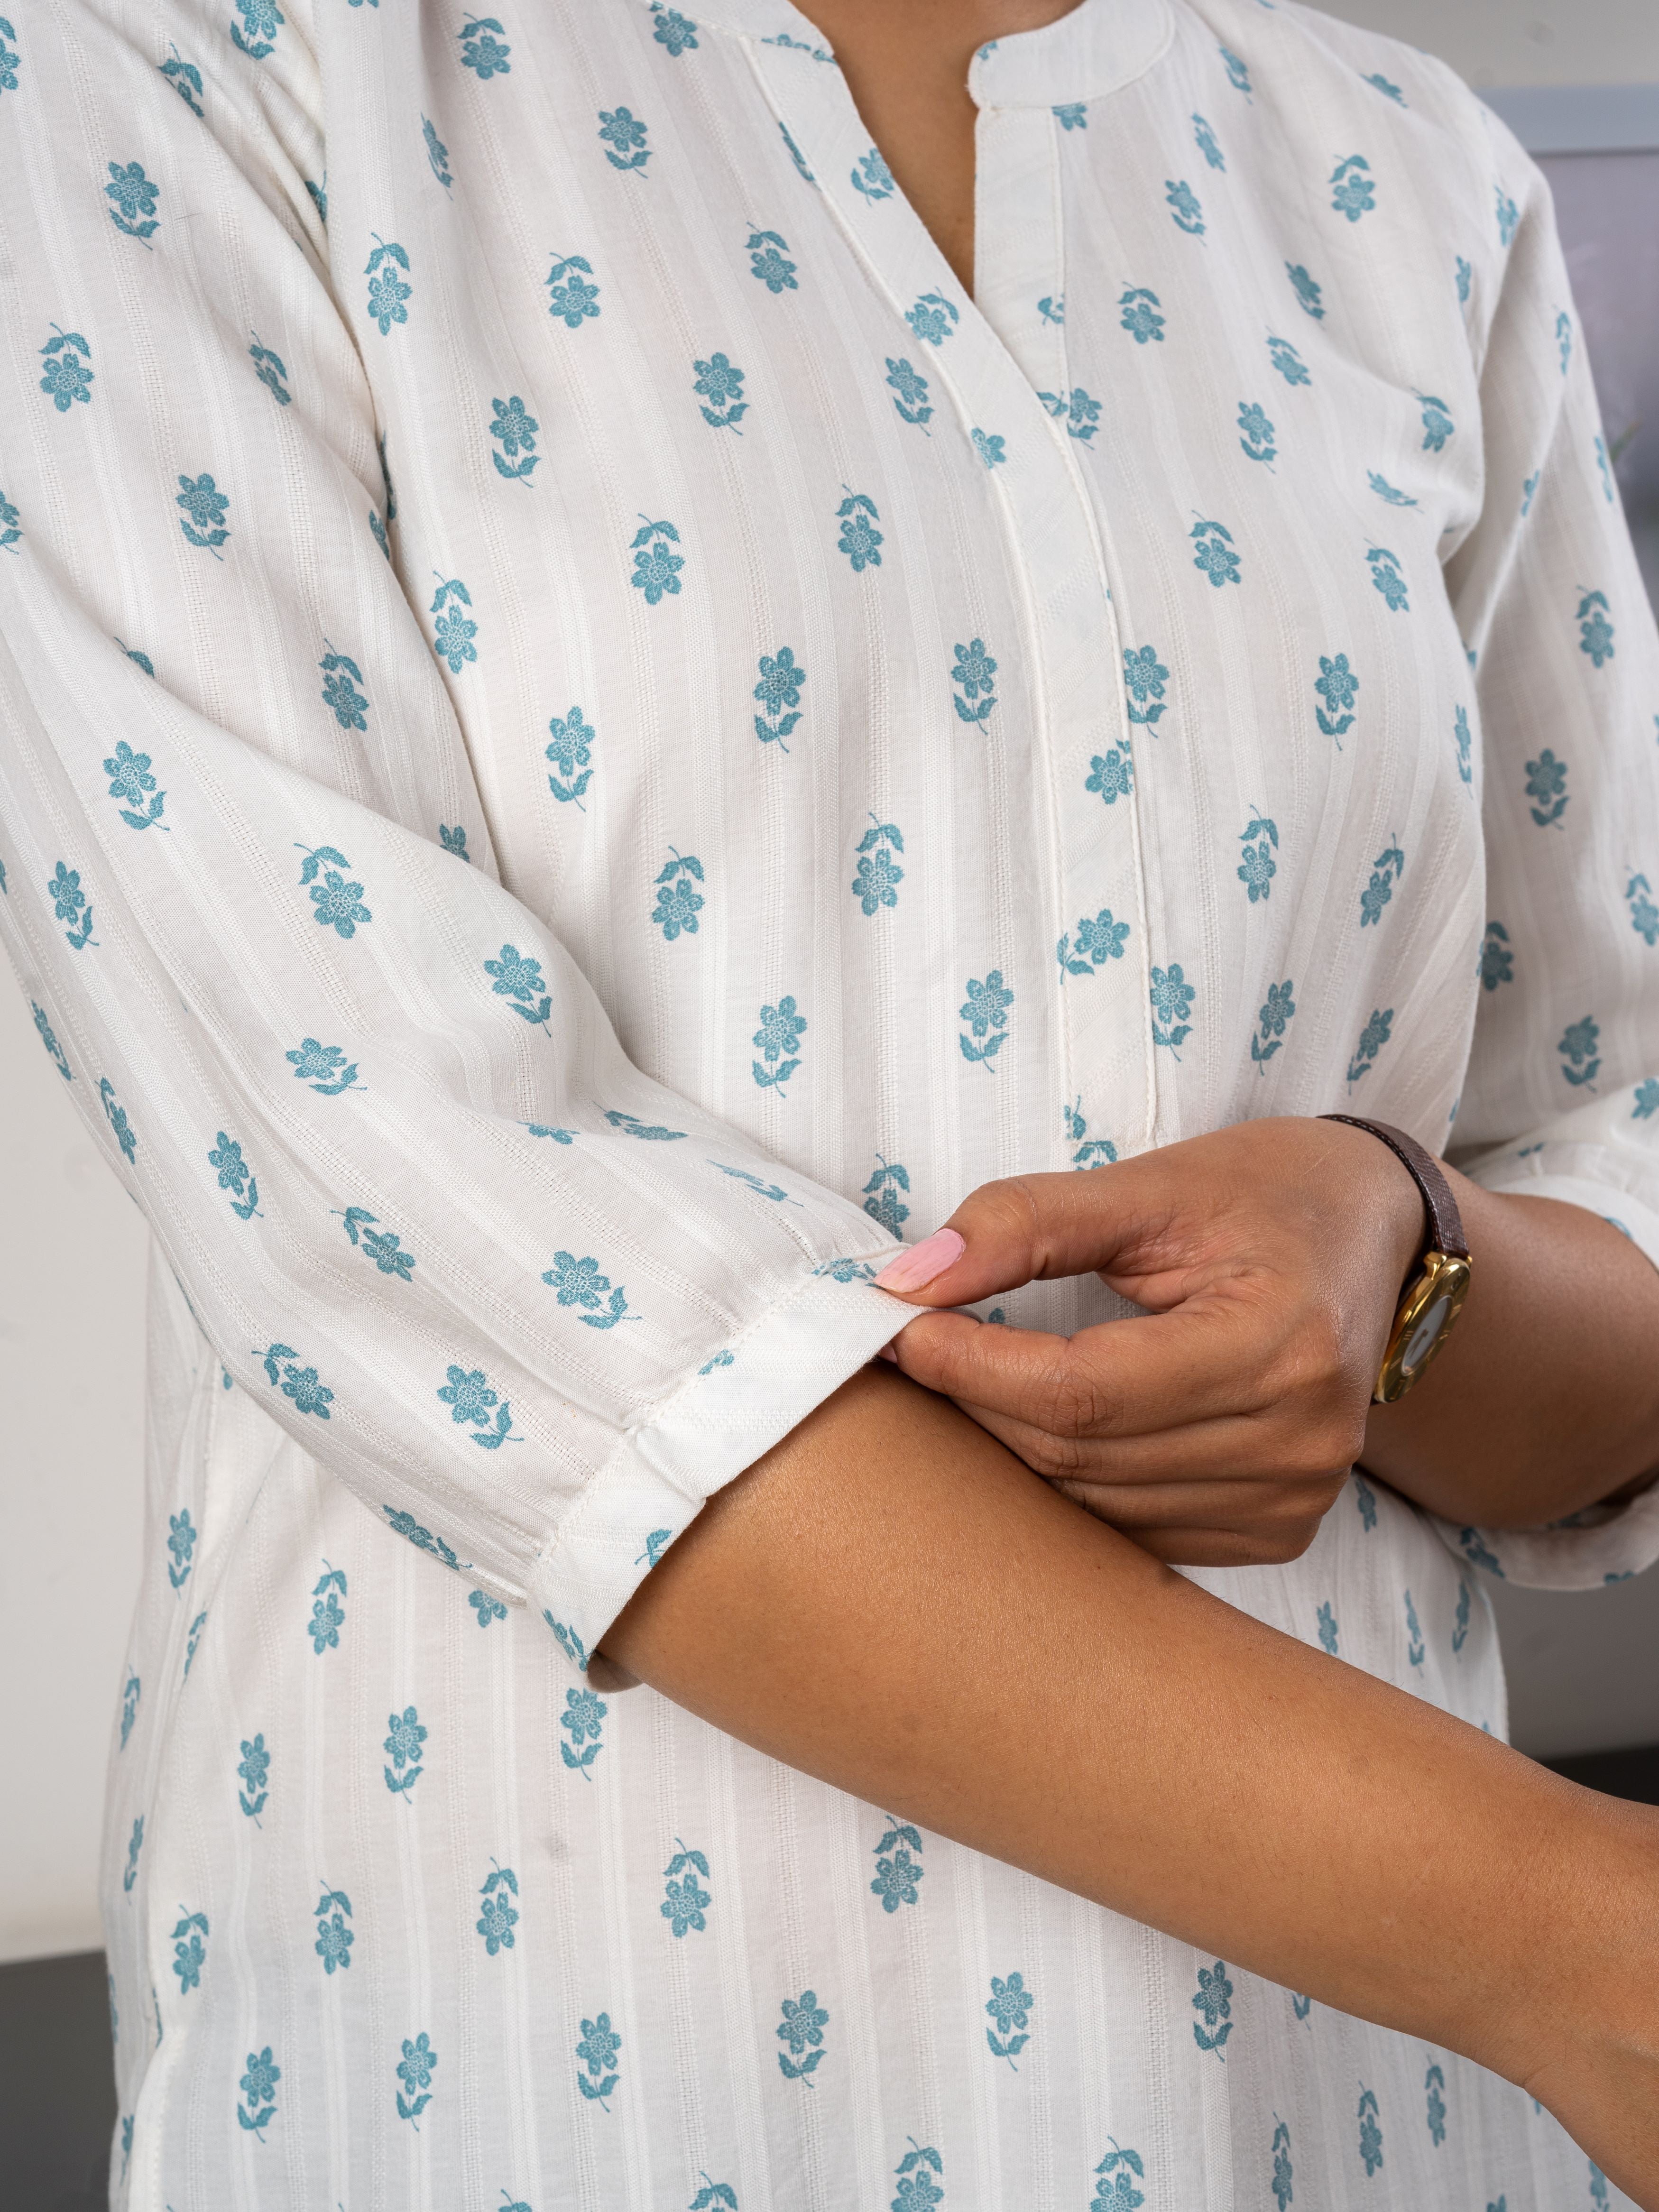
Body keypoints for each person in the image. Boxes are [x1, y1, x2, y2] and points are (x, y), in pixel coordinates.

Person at [2, 0, 1658, 2204]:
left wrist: (1401, 1255)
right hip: (548, 2076)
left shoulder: (1404, 172)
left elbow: (1607, 1140)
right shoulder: (164, 74)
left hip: (1364, 2116)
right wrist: (1566, 1935)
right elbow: (407, 1214)